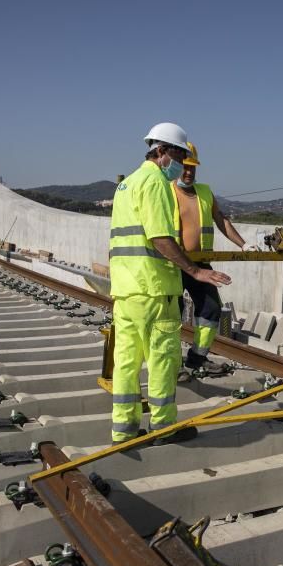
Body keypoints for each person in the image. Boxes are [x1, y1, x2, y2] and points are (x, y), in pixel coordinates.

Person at [108, 122, 231, 445]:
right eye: (178, 156)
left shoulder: (126, 185)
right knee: (162, 359)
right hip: (154, 288)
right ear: (161, 151)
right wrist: (195, 271)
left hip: (125, 290)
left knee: (127, 362)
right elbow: (161, 237)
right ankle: (163, 427)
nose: (180, 165)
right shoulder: (155, 183)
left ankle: (123, 429)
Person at [174, 142, 252, 375]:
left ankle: (197, 357)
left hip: (200, 264)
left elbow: (221, 220)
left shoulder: (205, 192)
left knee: (211, 308)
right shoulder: (165, 190)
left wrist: (244, 244)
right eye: (184, 166)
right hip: (173, 263)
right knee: (172, 314)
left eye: (192, 167)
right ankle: (172, 362)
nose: (188, 172)